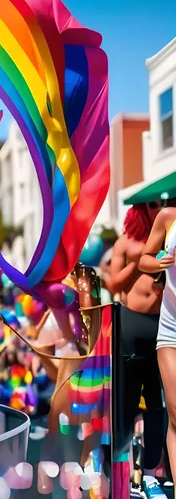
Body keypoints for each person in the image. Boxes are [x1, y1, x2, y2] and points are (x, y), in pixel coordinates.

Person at [108, 202, 166, 484]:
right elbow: (113, 286)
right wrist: (137, 260)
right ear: (140, 210)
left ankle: (153, 469)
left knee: (158, 403)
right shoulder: (125, 243)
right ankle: (118, 470)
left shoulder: (170, 238)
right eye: (154, 205)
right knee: (126, 402)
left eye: (166, 204)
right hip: (130, 323)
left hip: (162, 325)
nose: (161, 209)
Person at [139, 203, 176, 480]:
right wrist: (159, 262)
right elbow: (144, 259)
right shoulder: (168, 216)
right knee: (175, 413)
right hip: (171, 327)